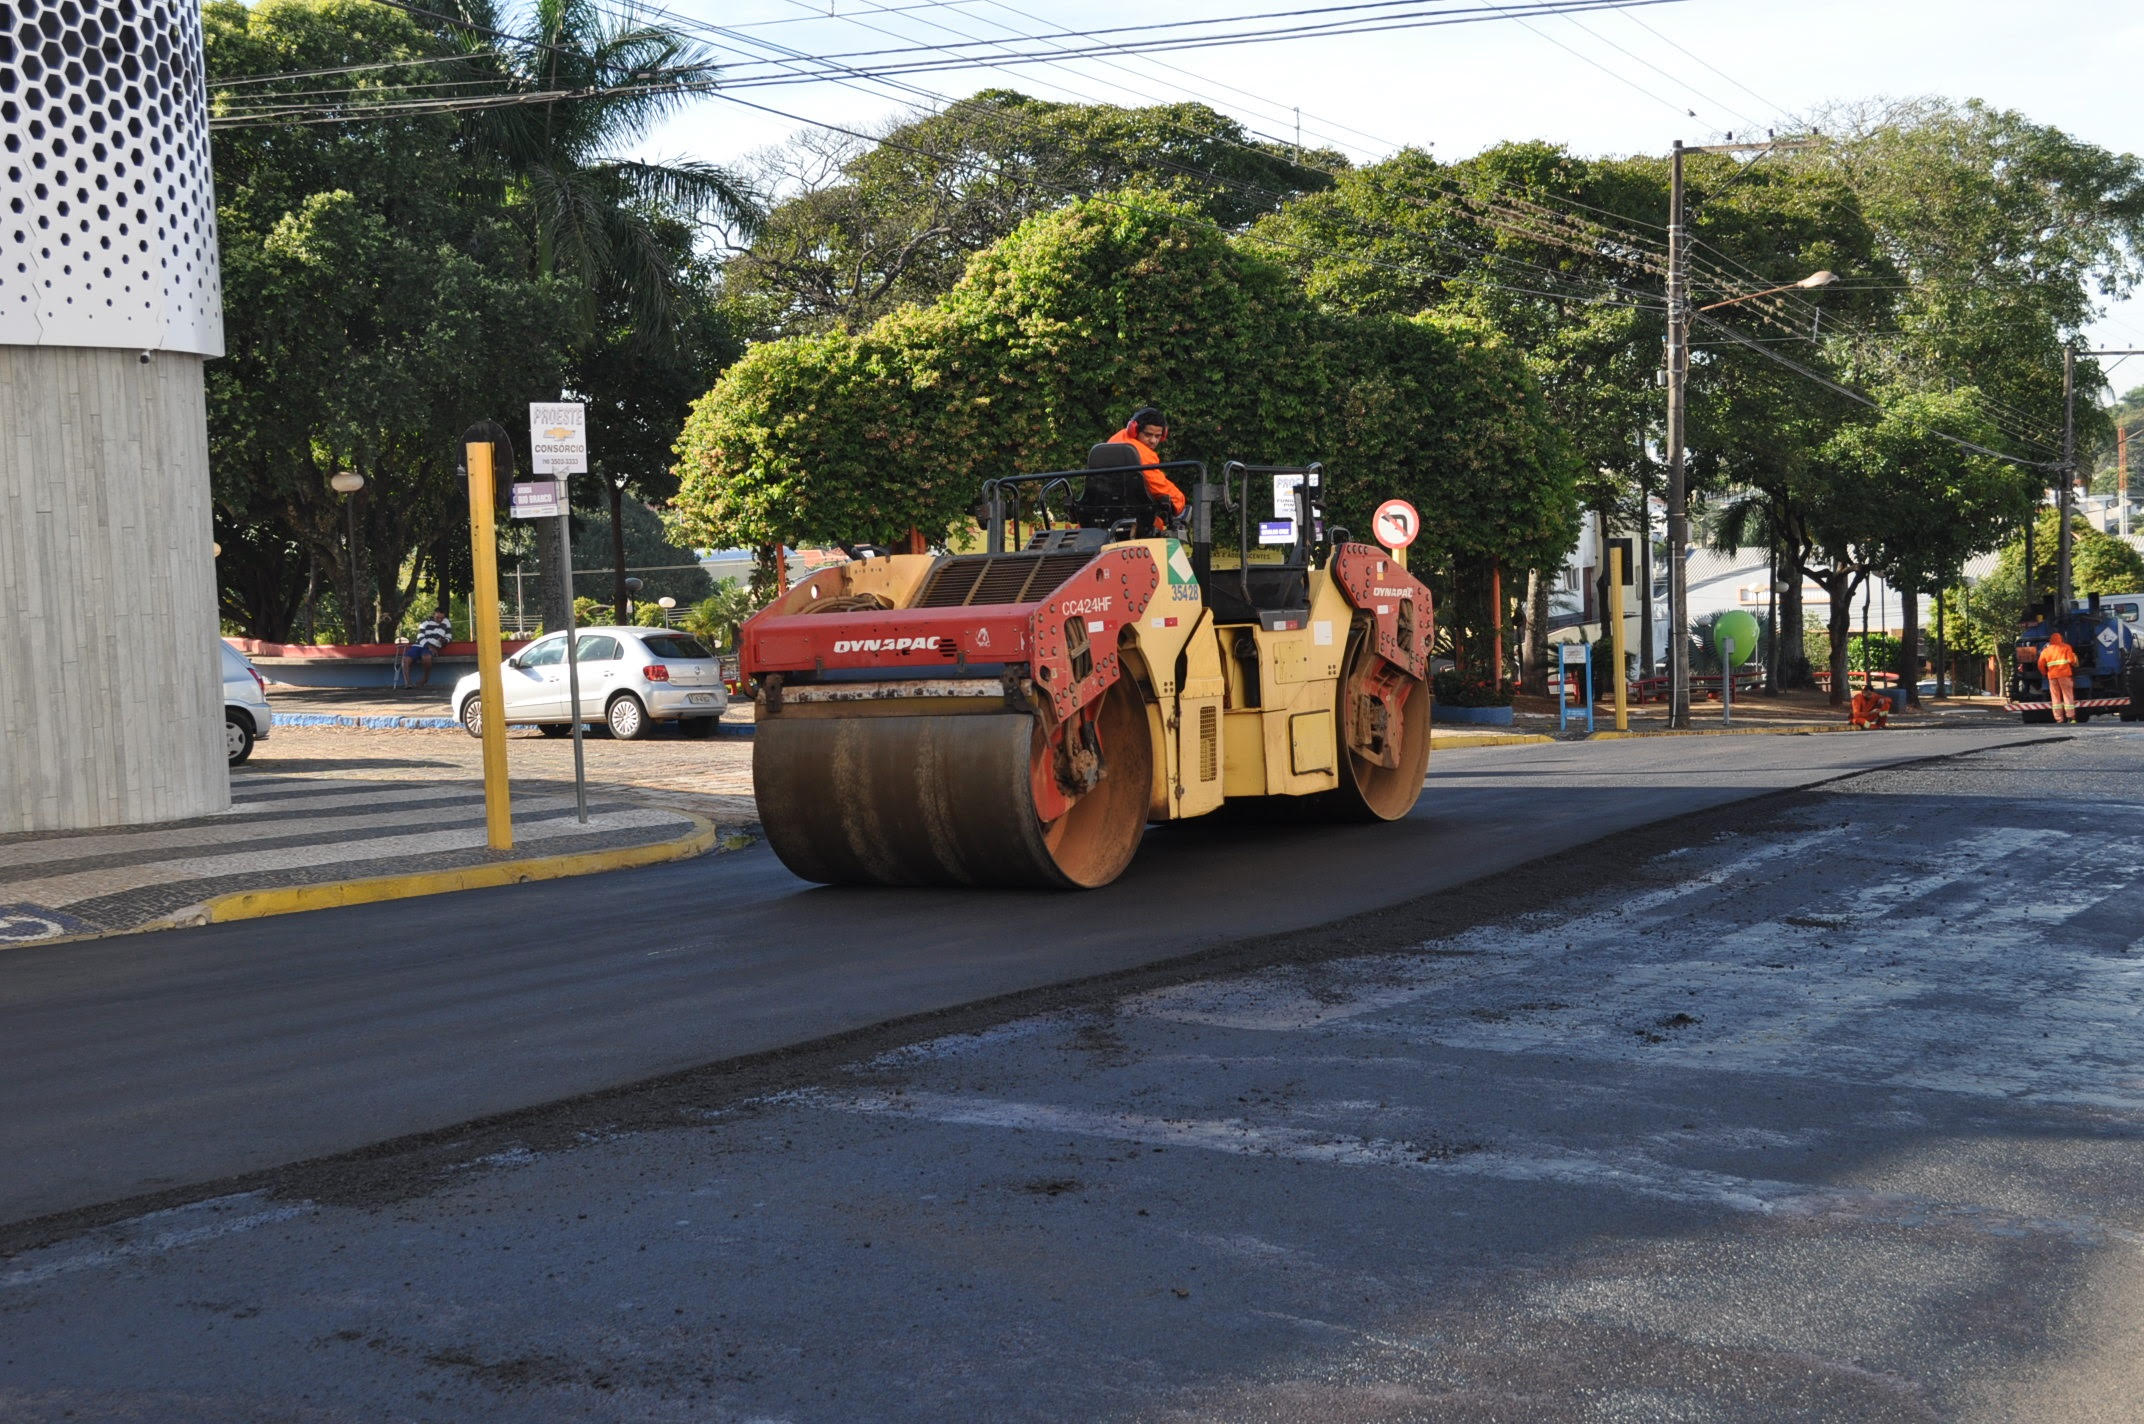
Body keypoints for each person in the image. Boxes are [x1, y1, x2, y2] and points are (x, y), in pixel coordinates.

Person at [1105, 406, 1187, 532]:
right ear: (1135, 430)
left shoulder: (1115, 439)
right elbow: (1158, 486)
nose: (1153, 441)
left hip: (1104, 511)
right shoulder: (1141, 453)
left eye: (1157, 436)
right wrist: (1180, 503)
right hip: (1134, 515)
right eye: (1148, 435)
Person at [401, 607, 452, 687]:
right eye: (437, 617)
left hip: (433, 647)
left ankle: (425, 679)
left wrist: (444, 640)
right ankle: (408, 683)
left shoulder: (446, 622)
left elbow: (449, 637)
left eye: (441, 618)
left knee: (426, 657)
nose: (439, 620)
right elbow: (420, 637)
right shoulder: (425, 622)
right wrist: (429, 646)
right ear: (433, 615)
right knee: (406, 659)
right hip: (420, 645)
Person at [2038, 629, 2080, 723]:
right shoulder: (2066, 647)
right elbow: (2071, 660)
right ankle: (2071, 717)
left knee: (2055, 698)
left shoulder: (2046, 651)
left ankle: (2059, 719)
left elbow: (2040, 665)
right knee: (2067, 695)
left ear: (2051, 640)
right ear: (2061, 639)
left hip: (2052, 676)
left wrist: (2045, 673)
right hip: (2065, 675)